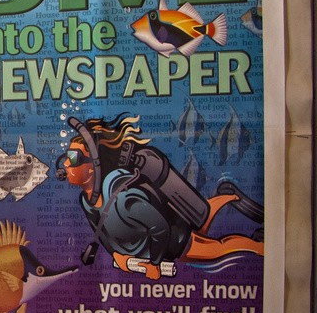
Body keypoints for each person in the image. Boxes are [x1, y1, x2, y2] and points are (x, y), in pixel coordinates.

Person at [57, 114, 263, 280]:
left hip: (175, 241)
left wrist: (154, 264)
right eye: (67, 156)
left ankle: (258, 246)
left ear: (93, 167)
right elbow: (101, 233)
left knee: (219, 249)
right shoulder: (86, 201)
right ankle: (227, 196)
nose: (66, 164)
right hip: (156, 237)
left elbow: (161, 230)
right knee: (203, 221)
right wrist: (117, 255)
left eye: (74, 158)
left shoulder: (124, 198)